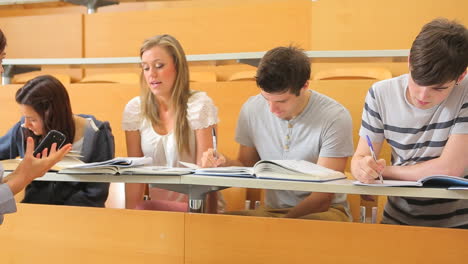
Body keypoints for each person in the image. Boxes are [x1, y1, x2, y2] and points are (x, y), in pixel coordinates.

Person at [201, 46, 354, 221]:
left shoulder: (334, 117)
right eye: (266, 99)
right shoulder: (252, 109)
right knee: (218, 225)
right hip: (272, 211)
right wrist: (224, 162)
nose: (272, 109)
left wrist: (282, 224)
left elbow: (322, 197)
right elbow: (246, 165)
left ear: (304, 86)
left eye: (282, 101)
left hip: (325, 211)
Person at [351, 18, 468, 228]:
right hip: (398, 219)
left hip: (459, 225)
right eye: (417, 81)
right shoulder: (380, 93)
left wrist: (382, 172)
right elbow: (361, 156)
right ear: (409, 61)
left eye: (438, 88)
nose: (423, 96)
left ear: (462, 75)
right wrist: (362, 167)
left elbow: (450, 169)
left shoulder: (466, 93)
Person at [122, 34, 220, 212]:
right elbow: (134, 176)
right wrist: (129, 218)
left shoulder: (199, 105)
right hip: (157, 211)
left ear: (177, 66)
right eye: (145, 68)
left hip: (196, 208)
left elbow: (204, 175)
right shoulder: (135, 109)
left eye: (159, 66)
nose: (152, 74)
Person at [0, 75, 115, 207]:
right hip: (35, 211)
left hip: (82, 214)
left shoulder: (97, 133)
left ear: (51, 116)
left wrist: (57, 214)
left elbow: (96, 193)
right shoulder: (22, 130)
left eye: (32, 119)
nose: (26, 124)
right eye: (24, 117)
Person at [0, 28, 72, 224]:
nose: (2, 70)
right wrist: (24, 176)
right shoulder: (20, 132)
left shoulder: (95, 131)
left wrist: (20, 175)